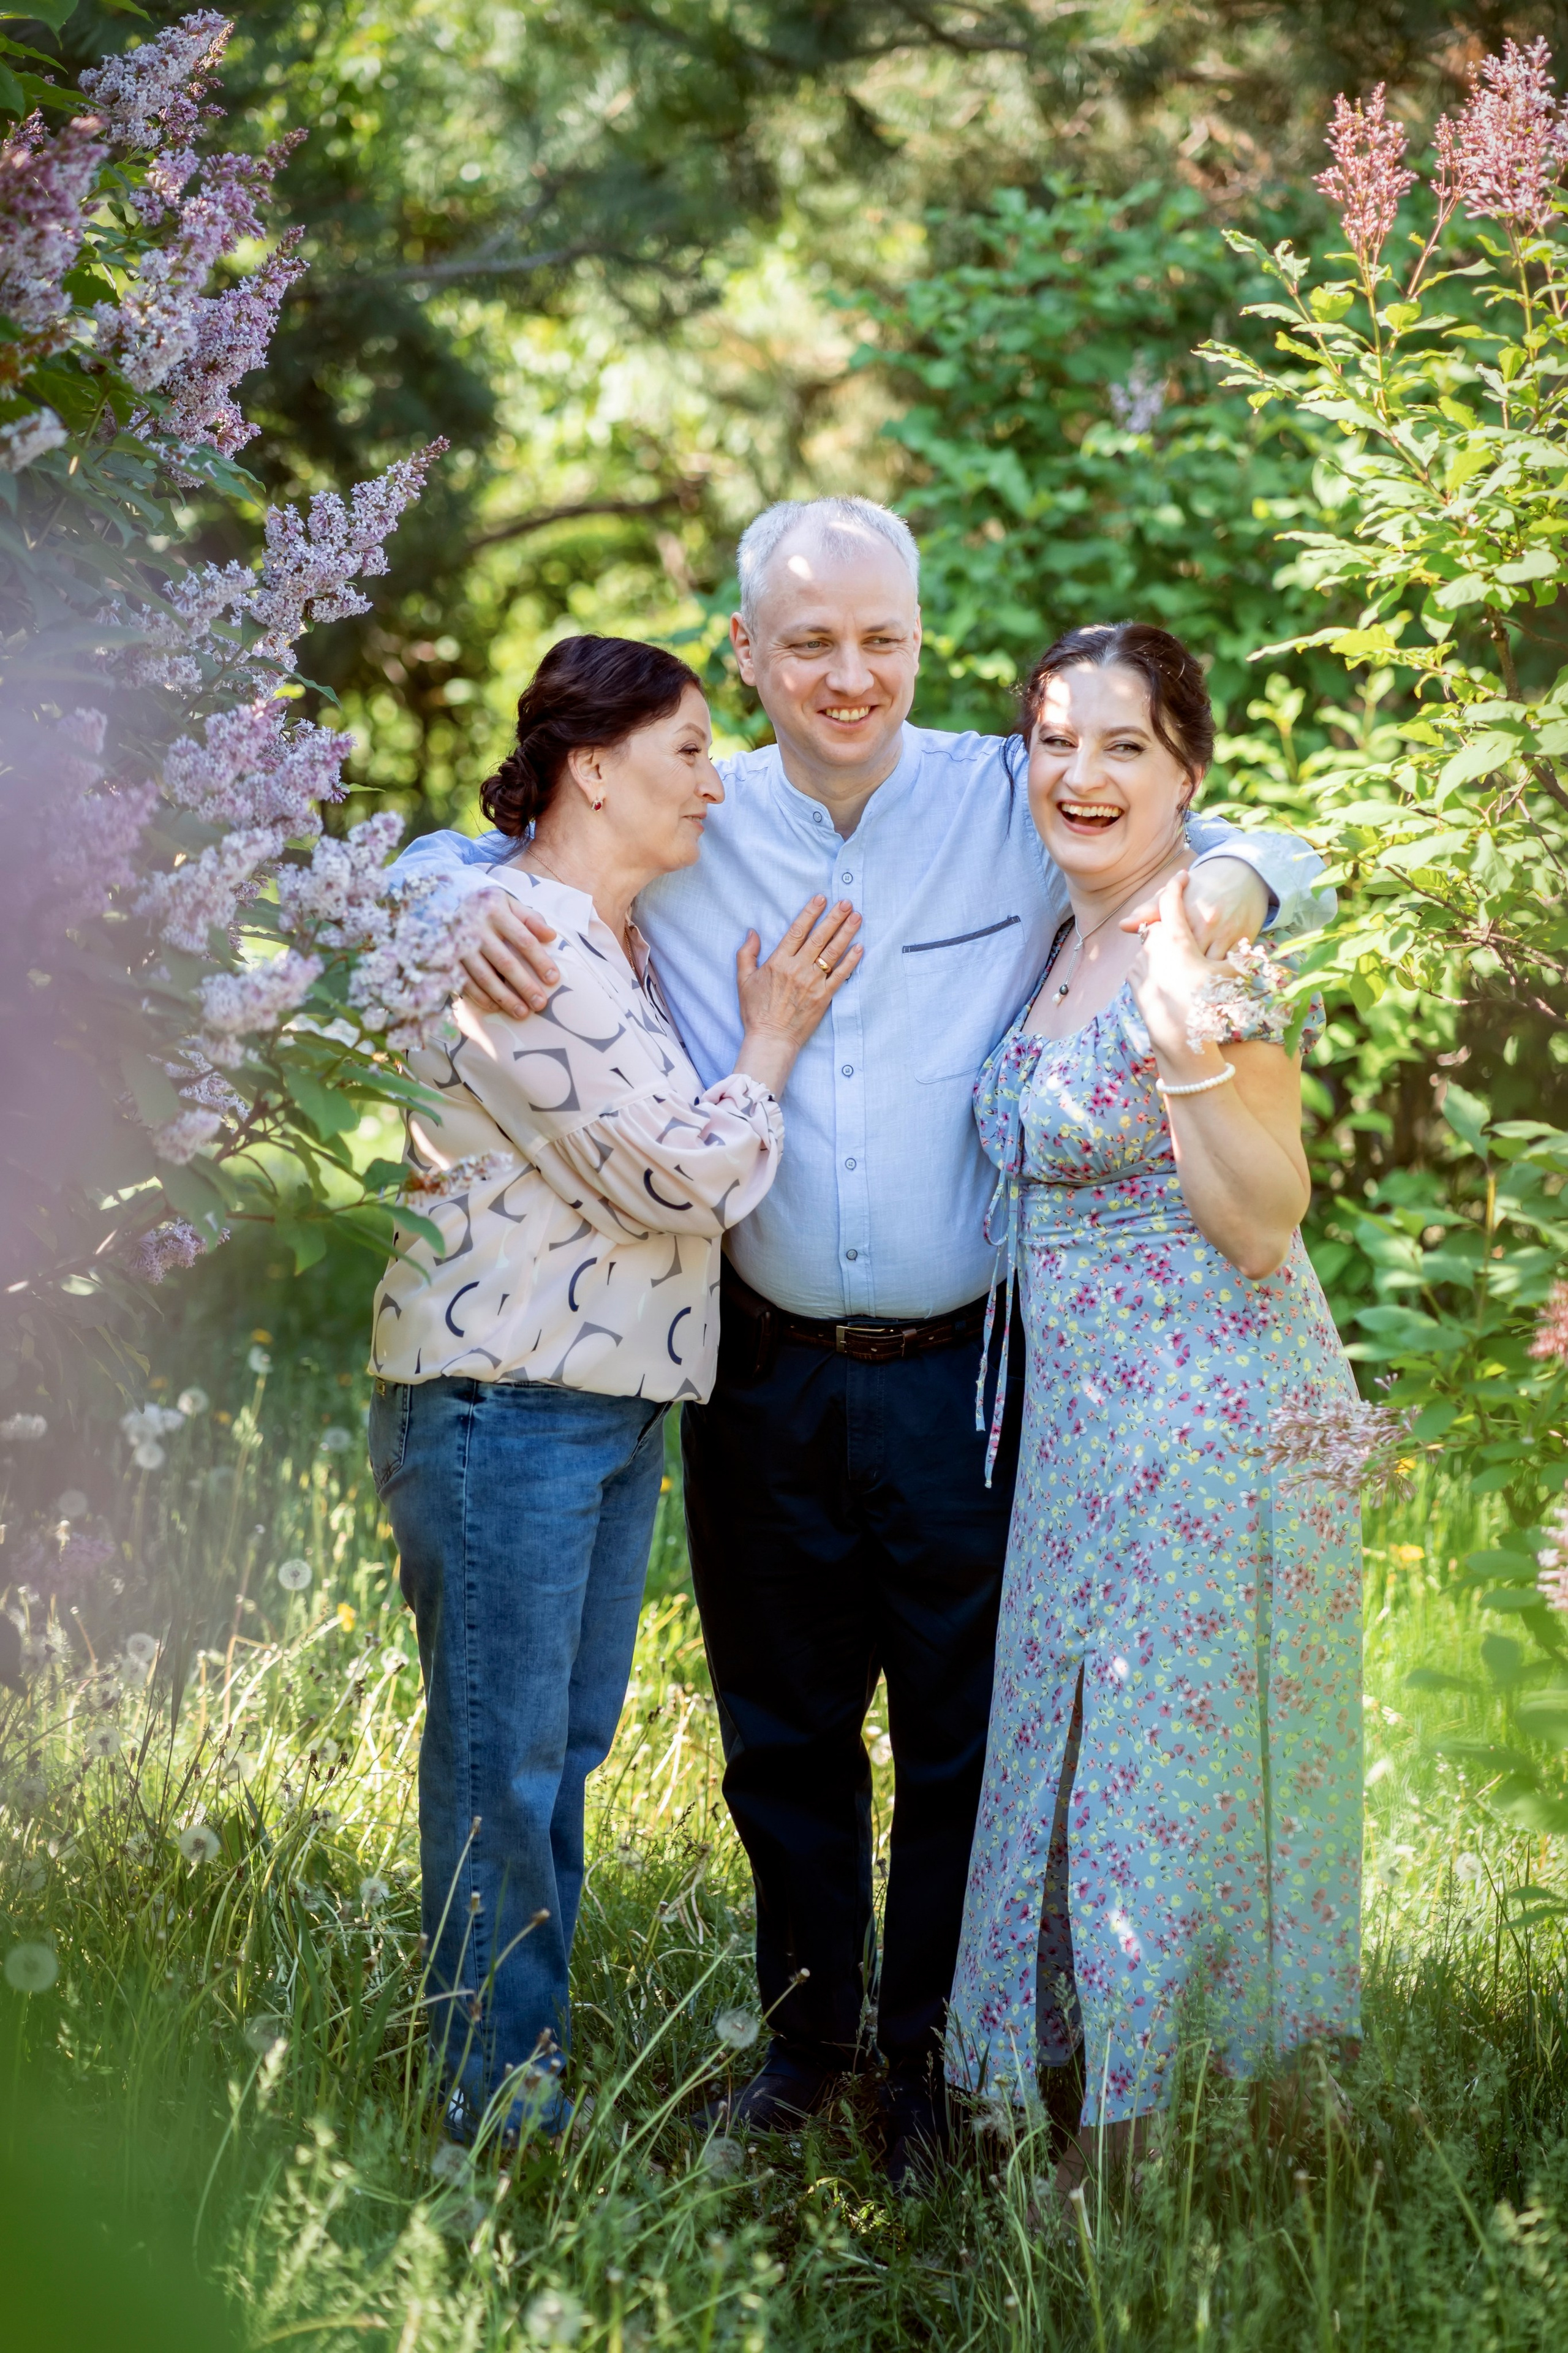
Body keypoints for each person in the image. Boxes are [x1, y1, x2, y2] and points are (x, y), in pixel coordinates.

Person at [390, 497, 1332, 2184]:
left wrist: (1241, 889)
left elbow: (1231, 820)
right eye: (808, 642)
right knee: (782, 1734)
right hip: (755, 1360)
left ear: (922, 639)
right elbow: (503, 839)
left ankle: (931, 2070)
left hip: (972, 1370)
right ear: (746, 652)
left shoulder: (1008, 794)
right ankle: (806, 2049)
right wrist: (439, 883)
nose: (848, 673)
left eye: (881, 639)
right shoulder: (689, 806)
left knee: (965, 1739)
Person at [368, 633, 861, 2143]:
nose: (717, 781)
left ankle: (519, 2076)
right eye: (690, 752)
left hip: (587, 1408)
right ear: (593, 767)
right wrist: (774, 1041)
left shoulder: (583, 930)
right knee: (501, 1768)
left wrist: (430, 881)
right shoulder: (526, 934)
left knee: (546, 1756)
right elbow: (685, 1174)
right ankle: (495, 2107)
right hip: (500, 1404)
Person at [946, 624, 1361, 2183]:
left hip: (1210, 1412)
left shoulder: (1197, 937)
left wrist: (1186, 1028)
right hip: (1082, 1428)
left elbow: (1261, 1220)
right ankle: (1058, 2096)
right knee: (1080, 1747)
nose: (1081, 772)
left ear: (1185, 769)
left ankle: (1129, 2151)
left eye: (1123, 745)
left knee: (1153, 1754)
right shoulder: (1063, 932)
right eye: (1054, 740)